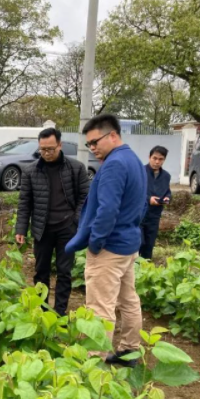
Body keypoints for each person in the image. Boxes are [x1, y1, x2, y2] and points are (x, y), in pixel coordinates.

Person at [65, 114, 147, 367]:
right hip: (128, 244)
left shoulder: (114, 164)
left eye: (94, 142)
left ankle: (94, 363)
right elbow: (141, 204)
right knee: (128, 299)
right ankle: (130, 351)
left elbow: (107, 210)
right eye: (89, 144)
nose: (92, 148)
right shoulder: (133, 159)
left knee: (100, 308)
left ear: (112, 135)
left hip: (110, 248)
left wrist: (96, 242)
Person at [14, 127, 90, 316]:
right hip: (42, 228)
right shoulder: (31, 171)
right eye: (43, 149)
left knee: (64, 272)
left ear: (59, 145)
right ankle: (42, 310)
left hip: (67, 227)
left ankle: (60, 312)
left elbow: (85, 198)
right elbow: (25, 202)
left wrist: (76, 221)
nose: (46, 153)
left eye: (50, 149)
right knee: (41, 272)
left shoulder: (76, 168)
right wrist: (21, 228)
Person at [140, 146, 171, 260]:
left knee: (149, 245)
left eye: (161, 159)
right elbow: (134, 191)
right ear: (149, 157)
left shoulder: (166, 176)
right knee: (139, 243)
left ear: (164, 160)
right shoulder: (141, 172)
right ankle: (135, 268)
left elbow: (167, 191)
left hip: (155, 215)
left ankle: (146, 272)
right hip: (139, 214)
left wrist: (167, 198)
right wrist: (148, 199)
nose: (157, 162)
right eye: (155, 158)